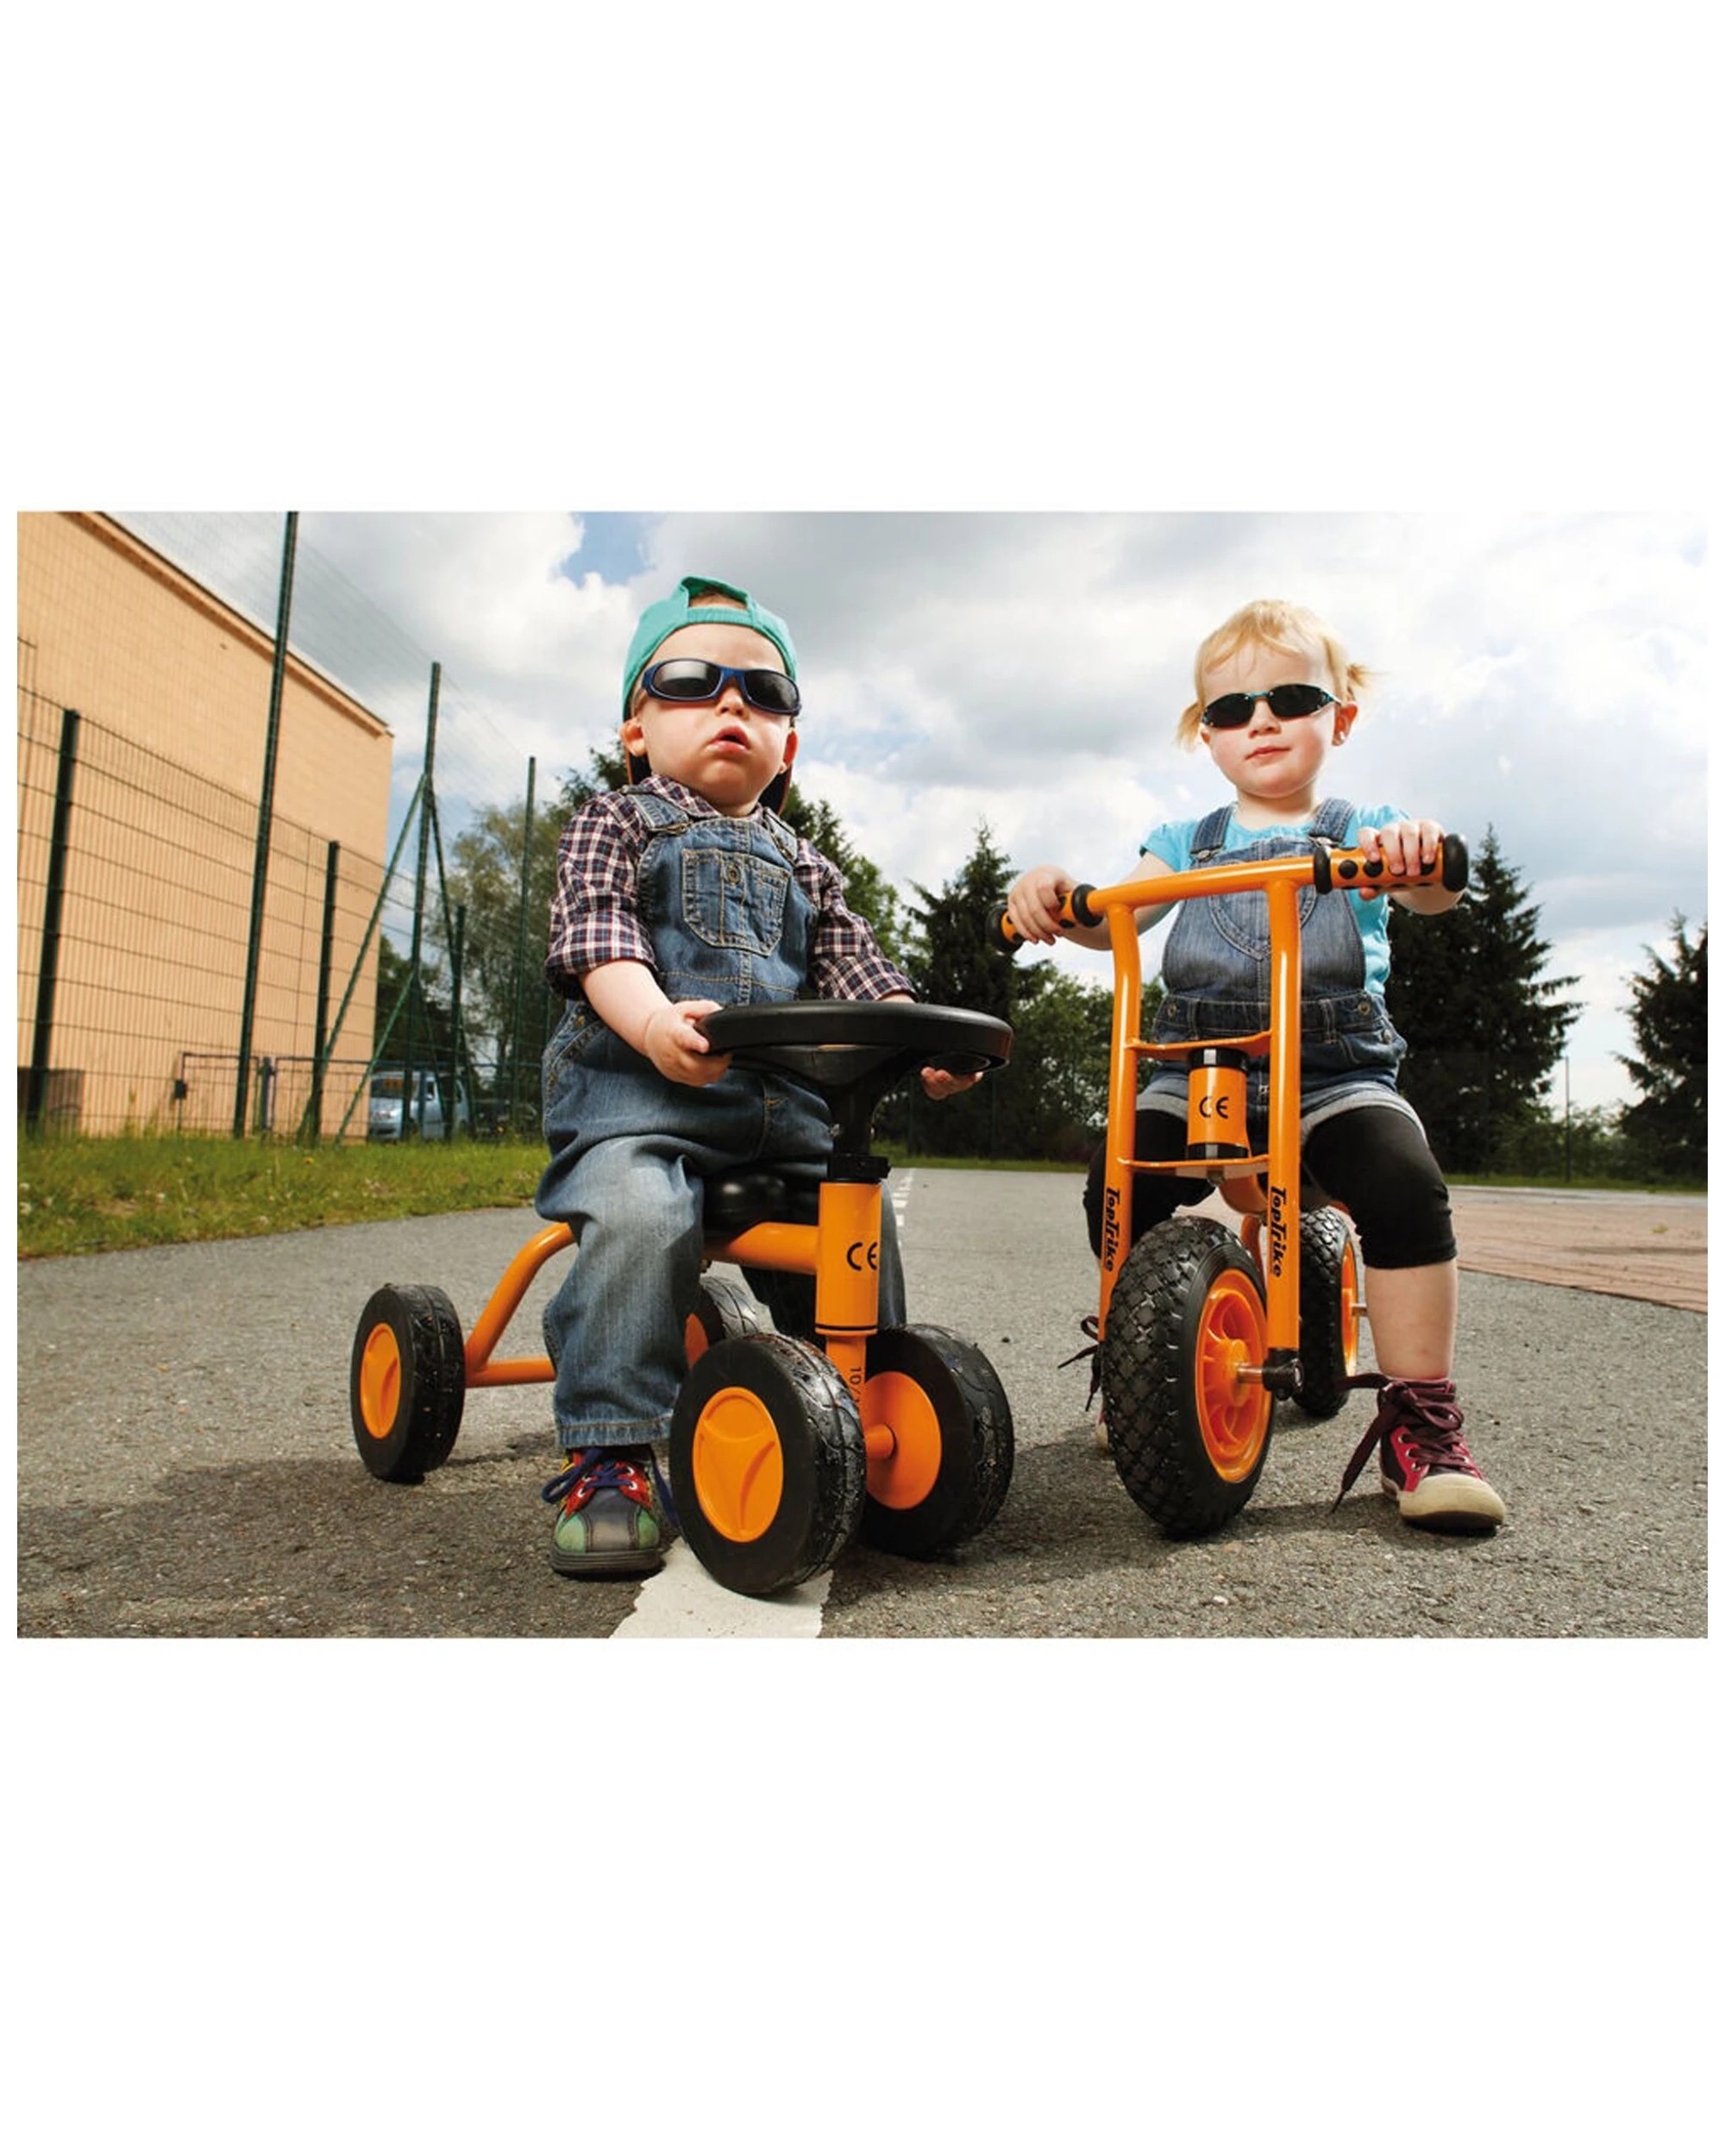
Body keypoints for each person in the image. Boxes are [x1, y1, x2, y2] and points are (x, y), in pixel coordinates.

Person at [1007, 598, 1505, 1534]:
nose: (1261, 721)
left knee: (1404, 1185)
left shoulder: (1366, 826)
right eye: (1232, 709)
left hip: (1331, 1074)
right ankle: (1136, 1354)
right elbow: (1115, 915)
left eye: (1291, 699)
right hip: (1196, 1070)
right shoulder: (1181, 842)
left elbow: (1432, 888)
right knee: (1119, 1176)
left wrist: (1416, 854)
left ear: (1338, 718)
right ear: (1206, 734)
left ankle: (1420, 1421)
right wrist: (1053, 895)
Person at [536, 575, 976, 1578]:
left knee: (855, 1211)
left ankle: (861, 1399)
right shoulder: (616, 822)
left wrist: (919, 1042)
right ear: (635, 729)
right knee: (640, 1216)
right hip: (639, 1106)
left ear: (789, 744)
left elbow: (859, 973)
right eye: (690, 681)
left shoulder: (806, 865)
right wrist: (652, 1022)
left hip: (784, 1121)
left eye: (763, 692)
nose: (730, 701)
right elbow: (599, 940)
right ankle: (609, 1448)